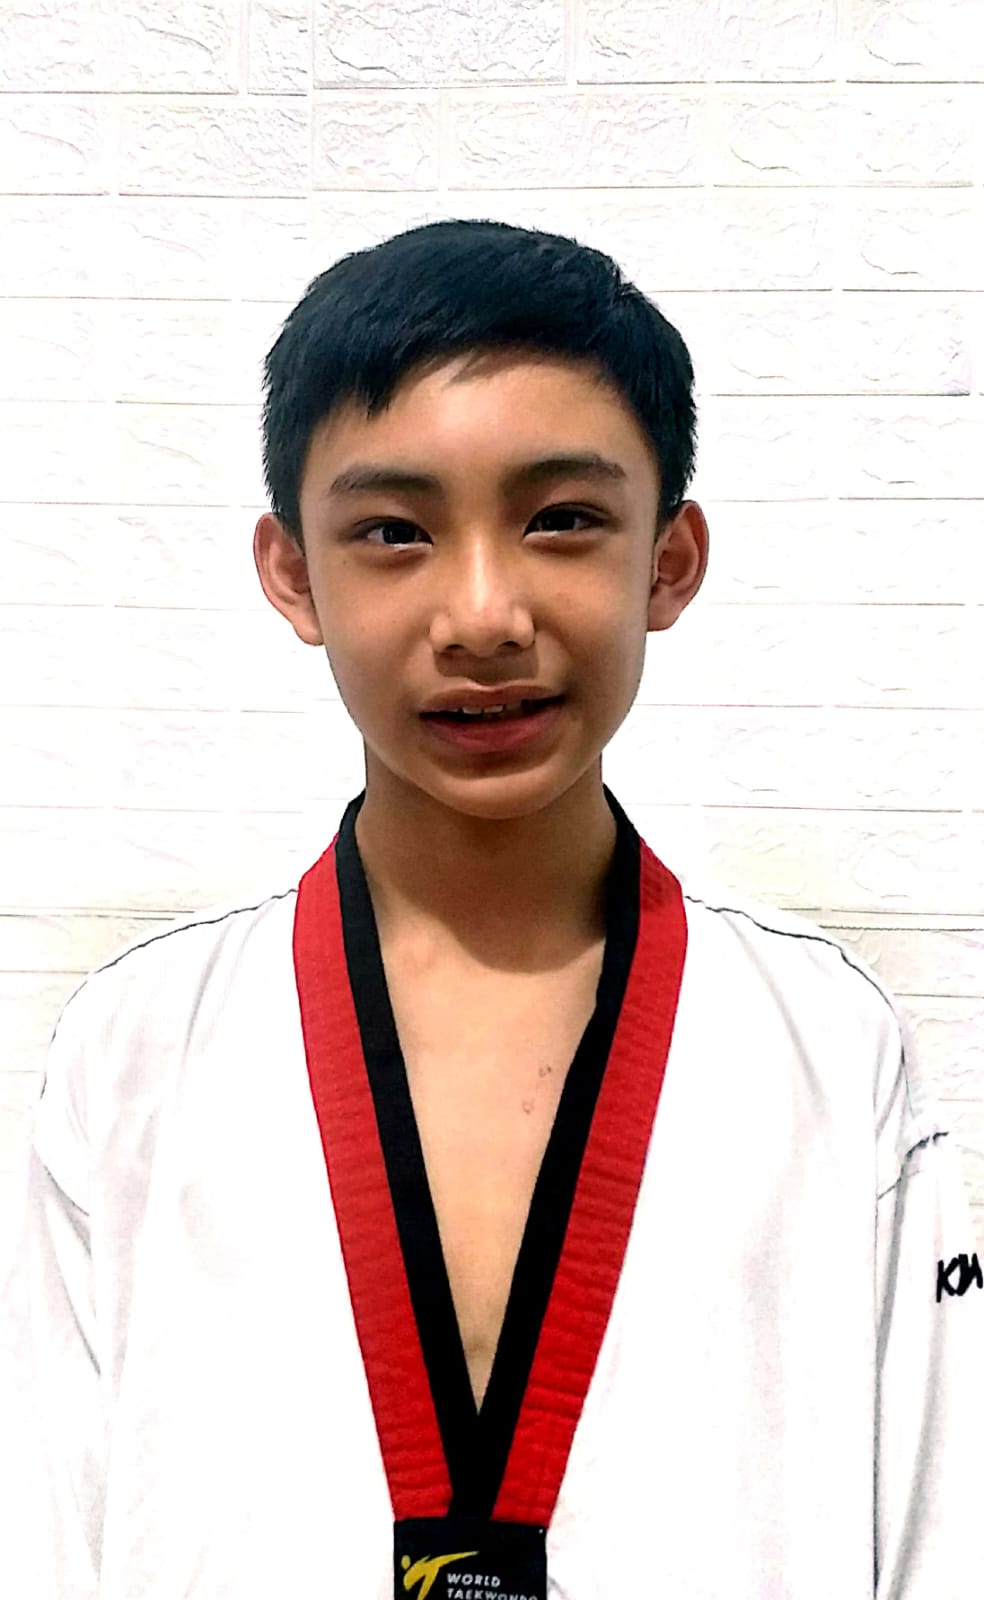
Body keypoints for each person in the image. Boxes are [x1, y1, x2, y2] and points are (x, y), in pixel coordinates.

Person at [1, 218, 980, 1600]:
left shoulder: (830, 1045)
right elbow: (44, 1536)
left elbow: (942, 1537)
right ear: (293, 573)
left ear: (669, 562)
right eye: (393, 532)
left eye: (561, 518)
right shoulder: (134, 1049)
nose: (482, 615)